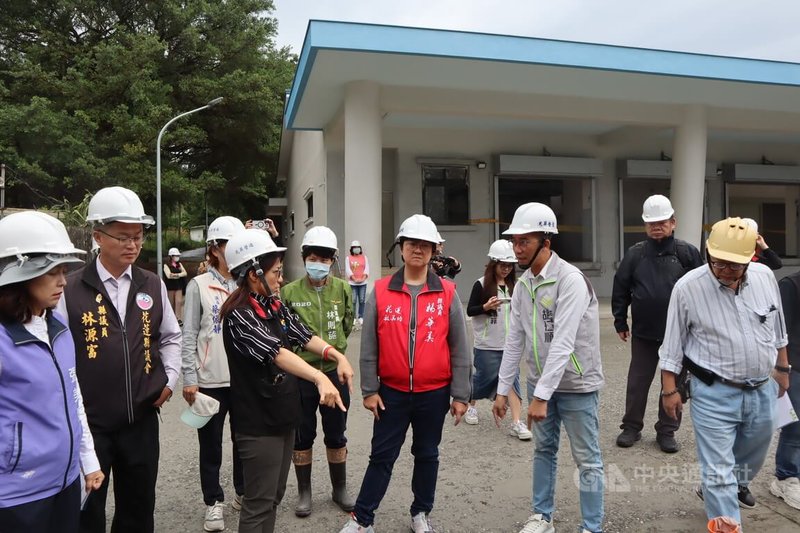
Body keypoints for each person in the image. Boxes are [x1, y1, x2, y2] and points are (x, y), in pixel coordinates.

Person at [56, 186, 182, 533]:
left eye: (138, 237)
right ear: (98, 236)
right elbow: (57, 354)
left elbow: (171, 337)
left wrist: (169, 381)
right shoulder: (70, 289)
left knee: (138, 510)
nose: (132, 245)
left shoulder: (151, 284)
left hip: (140, 422)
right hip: (90, 426)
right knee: (87, 511)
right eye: (123, 236)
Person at [339, 214, 471, 533]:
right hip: (392, 393)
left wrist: (461, 394)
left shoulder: (448, 293)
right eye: (412, 243)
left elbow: (460, 347)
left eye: (425, 245)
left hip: (434, 393)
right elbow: (369, 344)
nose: (418, 250)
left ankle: (420, 513)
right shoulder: (382, 291)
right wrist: (370, 390)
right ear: (401, 247)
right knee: (382, 456)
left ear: (434, 250)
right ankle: (363, 519)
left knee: (427, 454)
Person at [659, 217, 790, 529]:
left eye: (735, 265)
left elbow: (778, 325)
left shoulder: (763, 277)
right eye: (719, 263)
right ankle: (726, 516)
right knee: (719, 471)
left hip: (761, 388)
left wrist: (783, 367)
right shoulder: (688, 288)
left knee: (755, 454)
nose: (727, 271)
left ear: (750, 259)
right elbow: (672, 345)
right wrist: (669, 390)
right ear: (708, 254)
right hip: (713, 392)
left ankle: (720, 485)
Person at [220, 228, 352, 533]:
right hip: (258, 424)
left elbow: (303, 335)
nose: (281, 279)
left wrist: (336, 355)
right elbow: (277, 353)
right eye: (276, 272)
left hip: (281, 415)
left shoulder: (272, 305)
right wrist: (320, 377)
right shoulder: (239, 315)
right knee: (259, 502)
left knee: (274, 496)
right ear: (254, 274)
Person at [492, 202, 605, 533]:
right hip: (540, 384)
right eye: (515, 241)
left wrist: (541, 396)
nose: (517, 248)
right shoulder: (525, 282)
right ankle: (542, 516)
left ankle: (592, 527)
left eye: (524, 241)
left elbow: (564, 343)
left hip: (576, 386)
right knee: (543, 450)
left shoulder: (571, 280)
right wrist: (502, 391)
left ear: (546, 242)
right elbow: (515, 341)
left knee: (587, 459)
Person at [0, 212, 104, 533]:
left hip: (66, 483)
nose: (63, 281)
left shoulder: (57, 327)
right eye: (52, 272)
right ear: (20, 275)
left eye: (64, 271)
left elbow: (73, 396)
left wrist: (88, 461)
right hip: (17, 496)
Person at [612, 194, 702, 453]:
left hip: (680, 335)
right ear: (645, 225)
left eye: (662, 221)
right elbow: (621, 287)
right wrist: (620, 320)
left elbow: (702, 290)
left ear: (673, 222)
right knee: (638, 382)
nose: (657, 226)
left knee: (673, 384)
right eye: (652, 222)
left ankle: (667, 430)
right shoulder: (635, 254)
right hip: (643, 333)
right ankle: (631, 427)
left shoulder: (687, 253)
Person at [280, 226, 356, 517]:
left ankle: (339, 489)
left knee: (337, 433)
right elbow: (285, 335)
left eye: (325, 259)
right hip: (301, 375)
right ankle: (304, 492)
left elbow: (347, 325)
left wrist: (337, 356)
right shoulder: (288, 293)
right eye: (313, 257)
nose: (319, 264)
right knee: (302, 434)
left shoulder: (344, 289)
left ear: (332, 261)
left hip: (336, 373)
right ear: (304, 257)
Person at [181, 216, 247, 531]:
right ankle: (213, 503)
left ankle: (243, 493)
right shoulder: (198, 285)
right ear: (214, 248)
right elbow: (189, 335)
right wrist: (190, 378)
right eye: (227, 245)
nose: (233, 251)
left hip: (244, 379)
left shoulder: (247, 282)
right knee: (211, 446)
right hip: (209, 382)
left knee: (244, 440)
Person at [464, 239, 531, 441]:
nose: (506, 269)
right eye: (502, 265)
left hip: (510, 343)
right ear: (493, 264)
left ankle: (517, 422)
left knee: (512, 379)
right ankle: (470, 405)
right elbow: (470, 310)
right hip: (487, 343)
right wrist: (486, 307)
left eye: (510, 266)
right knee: (483, 377)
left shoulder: (516, 286)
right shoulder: (481, 284)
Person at [770, 271, 800, 510]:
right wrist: (783, 369)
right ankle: (785, 477)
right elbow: (780, 334)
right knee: (794, 427)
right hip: (796, 367)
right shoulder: (790, 285)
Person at [346, 240, 369, 328]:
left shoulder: (364, 257)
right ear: (352, 249)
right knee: (353, 301)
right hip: (353, 283)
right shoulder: (348, 258)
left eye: (358, 247)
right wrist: (354, 278)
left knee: (362, 300)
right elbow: (348, 270)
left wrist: (363, 278)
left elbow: (367, 268)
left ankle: (361, 316)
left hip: (363, 283)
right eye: (355, 248)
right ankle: (353, 318)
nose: (356, 249)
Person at [163, 247, 188, 323]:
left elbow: (185, 273)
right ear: (171, 256)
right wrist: (179, 274)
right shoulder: (166, 265)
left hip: (178, 286)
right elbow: (168, 275)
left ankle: (178, 318)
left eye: (178, 255)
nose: (177, 257)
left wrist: (176, 275)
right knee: (171, 303)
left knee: (178, 302)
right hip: (170, 287)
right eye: (175, 255)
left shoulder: (179, 264)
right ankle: (171, 319)